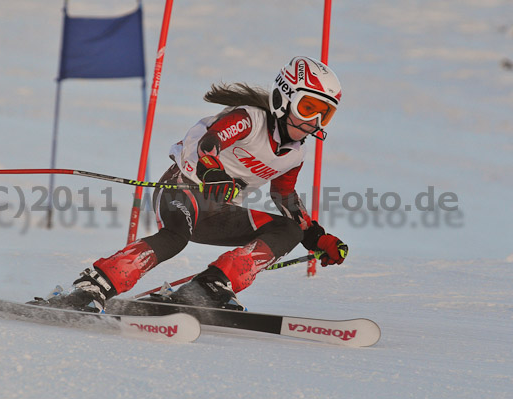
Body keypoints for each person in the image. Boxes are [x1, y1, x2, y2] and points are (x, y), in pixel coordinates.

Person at [47, 56, 348, 312]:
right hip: (183, 188)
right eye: (309, 108)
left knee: (288, 229)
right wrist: (212, 171)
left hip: (218, 212)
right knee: (176, 236)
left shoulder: (295, 153)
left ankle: (210, 285)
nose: (315, 122)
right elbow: (210, 142)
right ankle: (93, 286)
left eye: (326, 114)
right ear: (284, 98)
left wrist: (316, 238)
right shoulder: (250, 119)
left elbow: (285, 195)